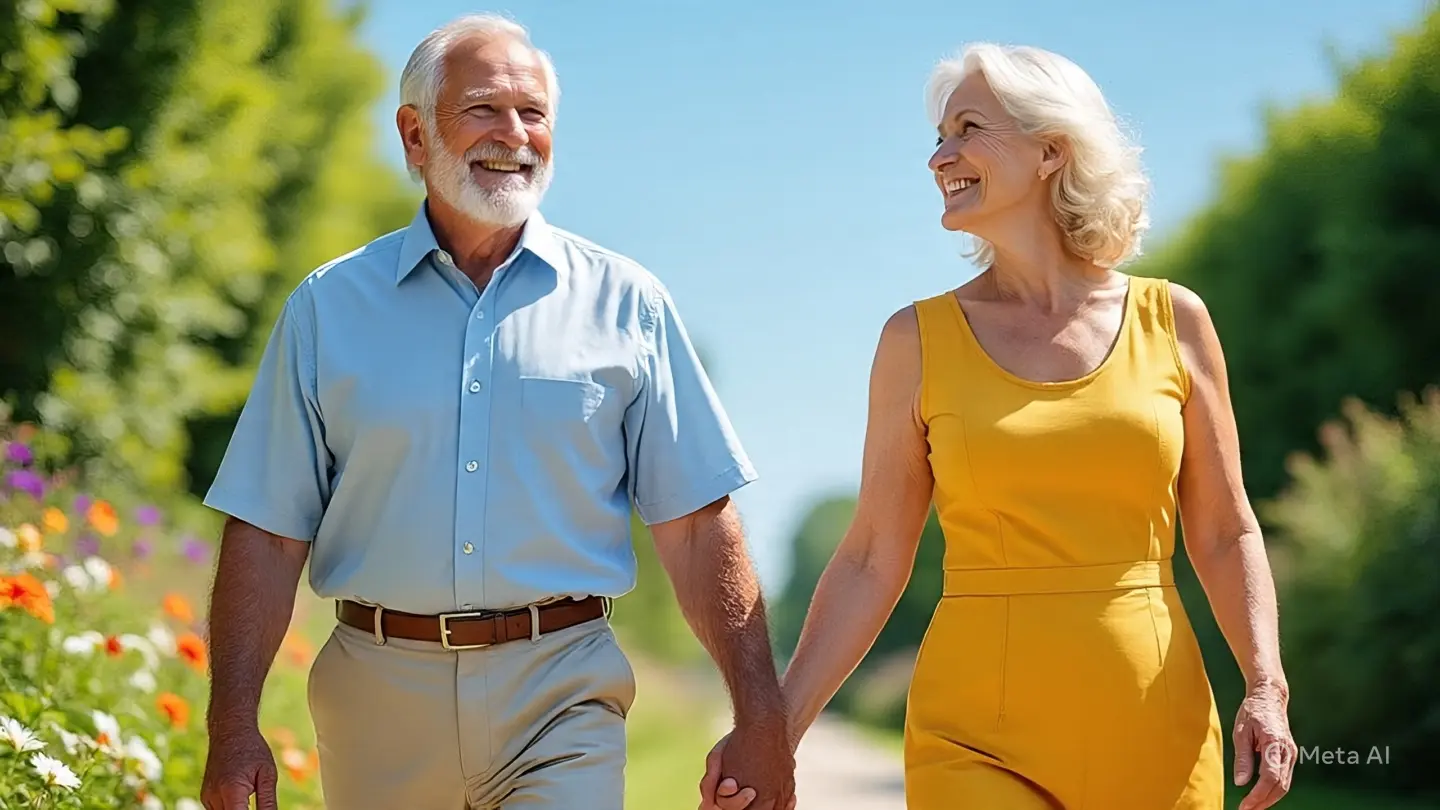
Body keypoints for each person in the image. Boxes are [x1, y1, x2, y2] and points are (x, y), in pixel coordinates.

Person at [196, 13, 796, 810]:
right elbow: (268, 533)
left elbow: (695, 523)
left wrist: (762, 718)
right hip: (378, 704)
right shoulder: (328, 308)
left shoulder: (630, 304)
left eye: (534, 112)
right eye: (483, 108)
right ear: (415, 136)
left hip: (563, 694)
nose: (514, 133)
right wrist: (232, 729)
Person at [701, 43, 1297, 810]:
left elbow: (1224, 531)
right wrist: (774, 731)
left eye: (968, 128)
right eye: (938, 137)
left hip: (1157, 725)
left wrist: (1266, 686)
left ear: (1052, 150)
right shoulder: (914, 341)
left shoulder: (1175, 320)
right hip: (972, 736)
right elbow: (872, 557)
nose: (939, 157)